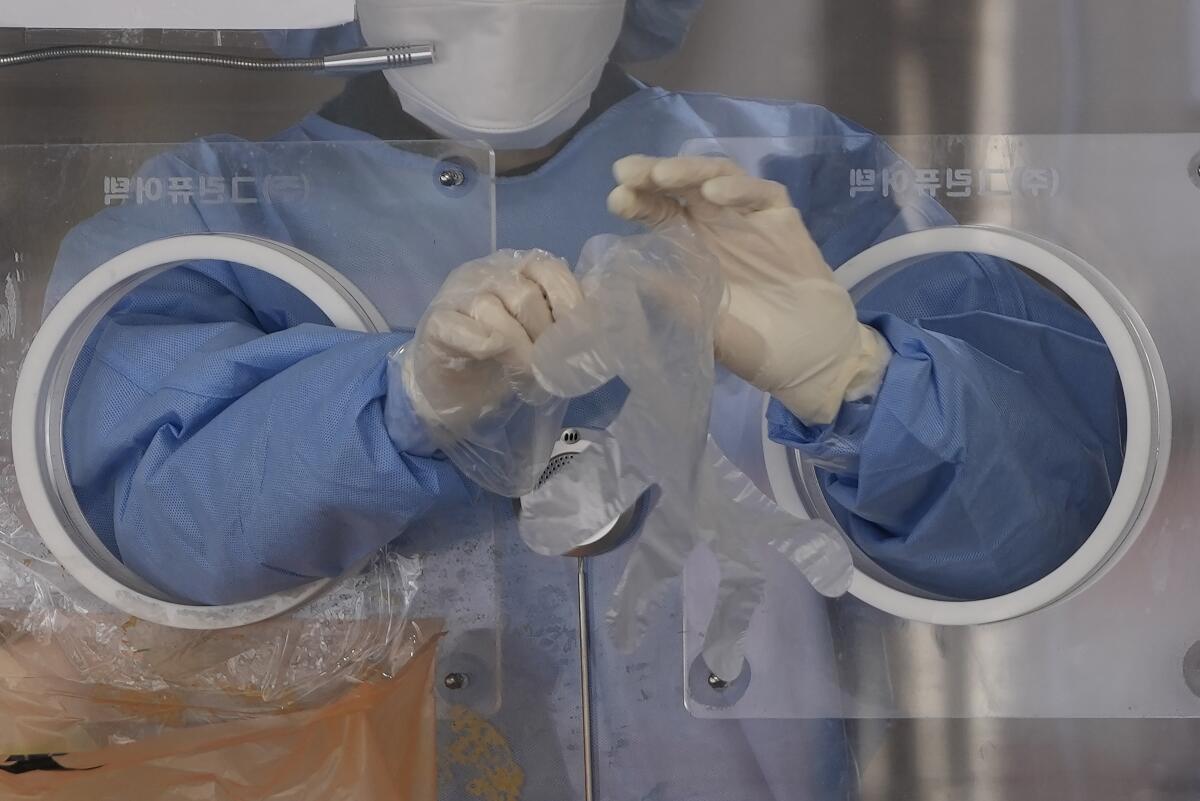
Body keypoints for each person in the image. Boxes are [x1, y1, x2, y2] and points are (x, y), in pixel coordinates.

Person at [45, 0, 1123, 796]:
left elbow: (1041, 535)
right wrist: (403, 400)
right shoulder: (216, 217)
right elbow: (148, 533)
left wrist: (855, 382)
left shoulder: (805, 177)